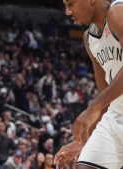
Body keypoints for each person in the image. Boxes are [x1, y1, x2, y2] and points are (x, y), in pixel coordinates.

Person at [54, 0, 123, 168]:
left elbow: (98, 104)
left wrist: (94, 107)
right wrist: (82, 141)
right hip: (115, 117)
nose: (67, 12)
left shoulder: (118, 12)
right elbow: (104, 96)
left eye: (71, 4)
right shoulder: (89, 38)